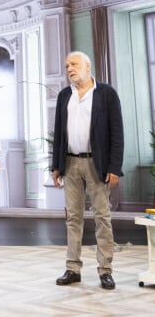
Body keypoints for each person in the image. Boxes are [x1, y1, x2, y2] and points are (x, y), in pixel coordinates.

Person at [52, 51, 124, 290]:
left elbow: (117, 132)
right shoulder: (64, 96)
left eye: (73, 64)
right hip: (70, 164)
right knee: (73, 218)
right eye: (66, 66)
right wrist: (56, 166)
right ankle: (73, 268)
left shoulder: (106, 94)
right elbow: (59, 133)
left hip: (97, 164)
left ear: (87, 66)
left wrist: (114, 166)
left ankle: (105, 270)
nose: (69, 68)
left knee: (102, 217)